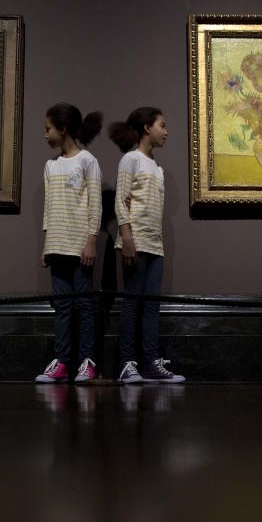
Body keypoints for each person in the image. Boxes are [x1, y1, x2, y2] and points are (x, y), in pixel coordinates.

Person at [108, 107, 184, 384]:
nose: (166, 132)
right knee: (132, 304)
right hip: (134, 243)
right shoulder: (131, 160)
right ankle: (128, 363)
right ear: (146, 128)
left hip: (155, 246)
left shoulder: (157, 168)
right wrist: (127, 237)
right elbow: (121, 200)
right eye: (162, 126)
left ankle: (151, 363)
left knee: (152, 307)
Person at [35, 103, 104, 383]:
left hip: (79, 247)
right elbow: (49, 208)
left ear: (63, 130)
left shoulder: (88, 161)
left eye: (48, 129)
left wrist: (91, 241)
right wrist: (46, 244)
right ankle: (62, 362)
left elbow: (95, 204)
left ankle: (87, 362)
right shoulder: (50, 166)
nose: (45, 135)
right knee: (62, 307)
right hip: (57, 246)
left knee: (84, 307)